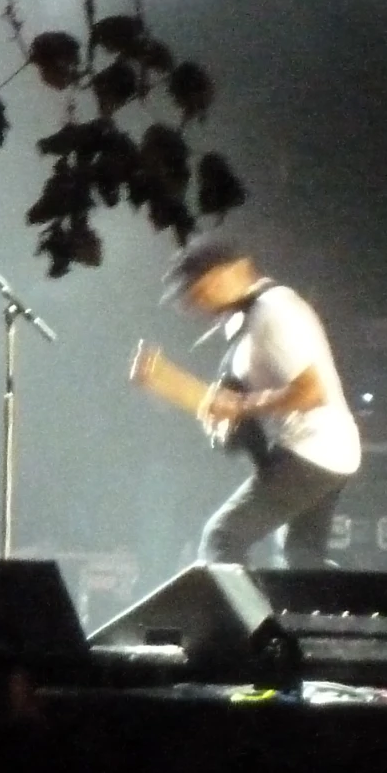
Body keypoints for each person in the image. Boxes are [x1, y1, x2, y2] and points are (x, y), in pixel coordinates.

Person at [160, 237, 360, 571]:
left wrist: (238, 408)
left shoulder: (274, 311)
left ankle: (244, 623)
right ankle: (337, 615)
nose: (194, 303)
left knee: (222, 539)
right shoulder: (247, 317)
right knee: (302, 557)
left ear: (232, 271)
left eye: (199, 289)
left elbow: (310, 392)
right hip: (322, 450)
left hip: (313, 451)